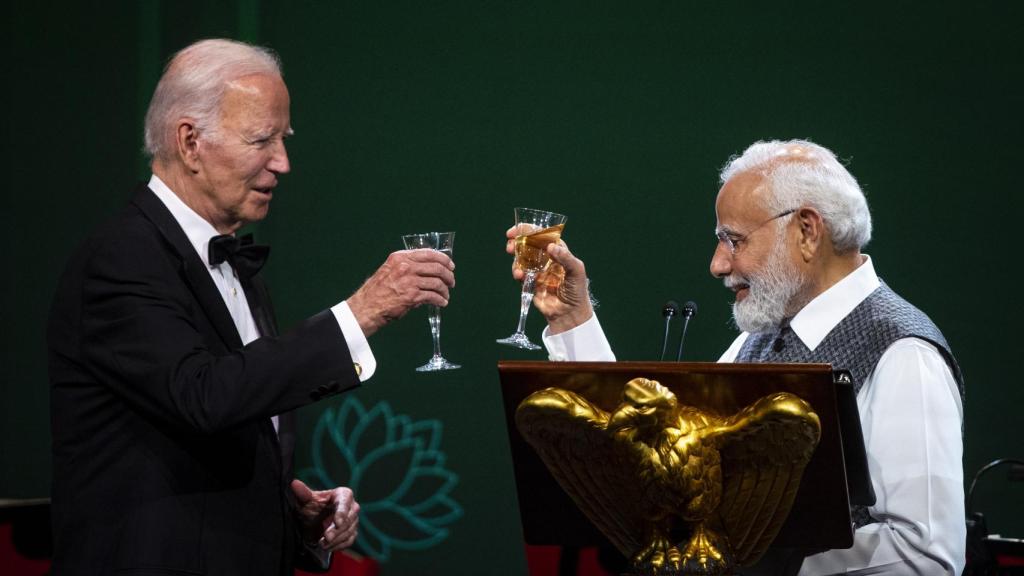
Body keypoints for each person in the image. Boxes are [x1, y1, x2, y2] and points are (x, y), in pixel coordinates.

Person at [47, 39, 456, 576]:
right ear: (190, 142)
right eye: (261, 140)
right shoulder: (122, 258)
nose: (283, 163)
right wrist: (362, 312)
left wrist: (297, 521)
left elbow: (223, 430)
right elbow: (203, 396)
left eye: (283, 139)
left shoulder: (234, 264)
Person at [507, 140, 965, 575]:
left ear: (807, 231)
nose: (718, 264)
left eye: (734, 240)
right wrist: (571, 319)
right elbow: (645, 450)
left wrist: (758, 564)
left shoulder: (905, 353)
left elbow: (925, 552)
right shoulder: (761, 339)